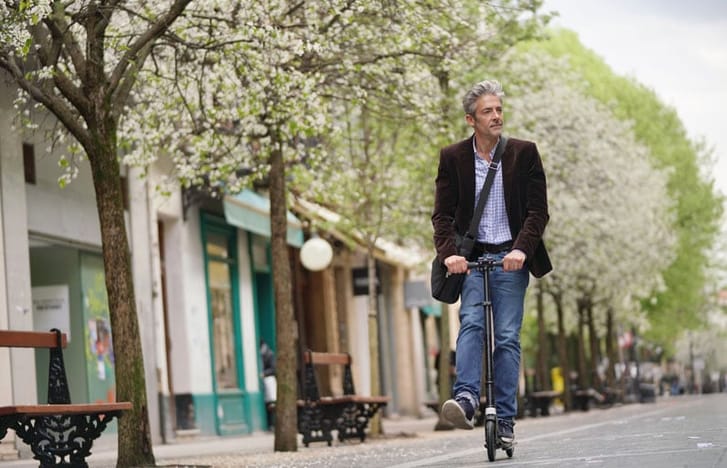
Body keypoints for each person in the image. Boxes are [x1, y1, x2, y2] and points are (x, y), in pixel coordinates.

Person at [431, 79, 551, 446]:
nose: (496, 116)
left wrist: (521, 250)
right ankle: (466, 399)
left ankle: (505, 422)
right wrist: (449, 254)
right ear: (471, 120)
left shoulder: (524, 153)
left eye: (499, 109)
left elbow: (537, 212)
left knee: (508, 337)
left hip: (510, 258)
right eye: (488, 111)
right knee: (470, 323)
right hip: (472, 259)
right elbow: (442, 216)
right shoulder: (452, 158)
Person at [260, 340, 277, 430]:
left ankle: (272, 424)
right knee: (269, 403)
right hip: (265, 382)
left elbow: (273, 369)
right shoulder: (264, 354)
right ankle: (270, 424)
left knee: (271, 403)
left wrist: (264, 374)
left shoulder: (269, 354)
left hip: (269, 381)